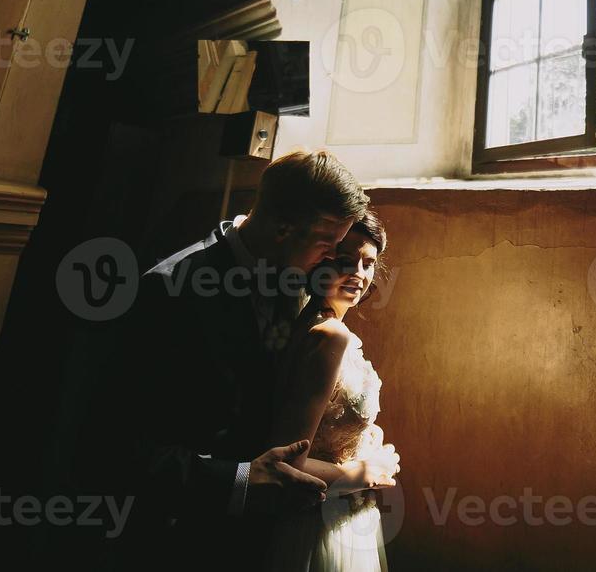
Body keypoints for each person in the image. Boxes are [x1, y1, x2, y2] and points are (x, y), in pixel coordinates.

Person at [93, 150, 393, 572]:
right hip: (179, 536)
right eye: (327, 245)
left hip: (264, 538)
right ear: (282, 228)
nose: (332, 260)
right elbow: (115, 445)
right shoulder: (171, 291)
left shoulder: (301, 275)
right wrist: (239, 479)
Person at [265, 209, 399, 572]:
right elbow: (286, 462)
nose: (358, 274)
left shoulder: (315, 325)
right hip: (320, 520)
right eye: (345, 261)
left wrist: (366, 437)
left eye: (368, 263)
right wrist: (365, 471)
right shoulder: (328, 337)